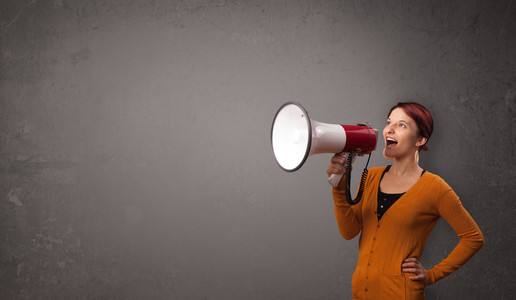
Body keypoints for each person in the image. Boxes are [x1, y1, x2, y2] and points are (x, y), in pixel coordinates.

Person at [327, 102, 484, 299]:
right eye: (388, 122)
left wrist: (432, 275)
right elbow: (349, 232)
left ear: (420, 139)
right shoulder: (372, 177)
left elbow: (474, 238)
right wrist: (339, 187)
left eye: (401, 125)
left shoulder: (435, 188)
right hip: (361, 293)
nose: (389, 129)